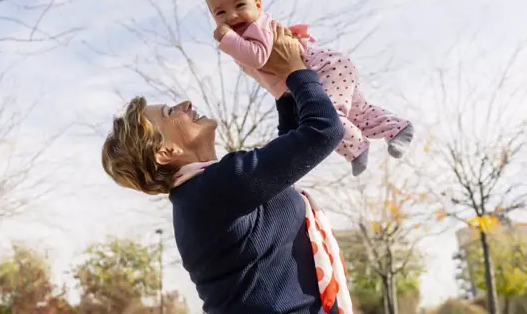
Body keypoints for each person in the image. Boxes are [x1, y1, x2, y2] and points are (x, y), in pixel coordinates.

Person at [101, 23, 352, 313]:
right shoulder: (214, 189)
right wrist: (297, 72)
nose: (185, 104)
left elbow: (289, 153)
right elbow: (324, 131)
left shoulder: (204, 192)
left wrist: (282, 86)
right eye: (170, 112)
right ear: (166, 152)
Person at [206, 0, 414, 176]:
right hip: (326, 70)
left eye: (240, 5)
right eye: (220, 12)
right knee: (358, 112)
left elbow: (258, 57)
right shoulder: (243, 38)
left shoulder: (257, 28)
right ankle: (397, 128)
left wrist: (226, 38)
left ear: (258, 5)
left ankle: (357, 147)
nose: (232, 16)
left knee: (328, 113)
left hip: (324, 68)